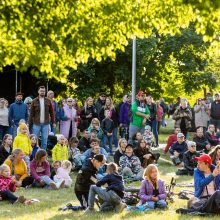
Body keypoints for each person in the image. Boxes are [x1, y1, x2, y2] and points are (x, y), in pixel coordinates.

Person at [29, 86, 55, 150]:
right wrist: (29, 123)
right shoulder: (34, 101)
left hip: (46, 124)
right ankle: (34, 154)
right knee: (34, 140)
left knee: (44, 141)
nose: (42, 92)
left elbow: (52, 112)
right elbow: (31, 114)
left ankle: (42, 155)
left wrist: (53, 122)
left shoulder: (48, 101)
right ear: (38, 91)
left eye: (43, 91)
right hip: (36, 124)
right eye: (41, 91)